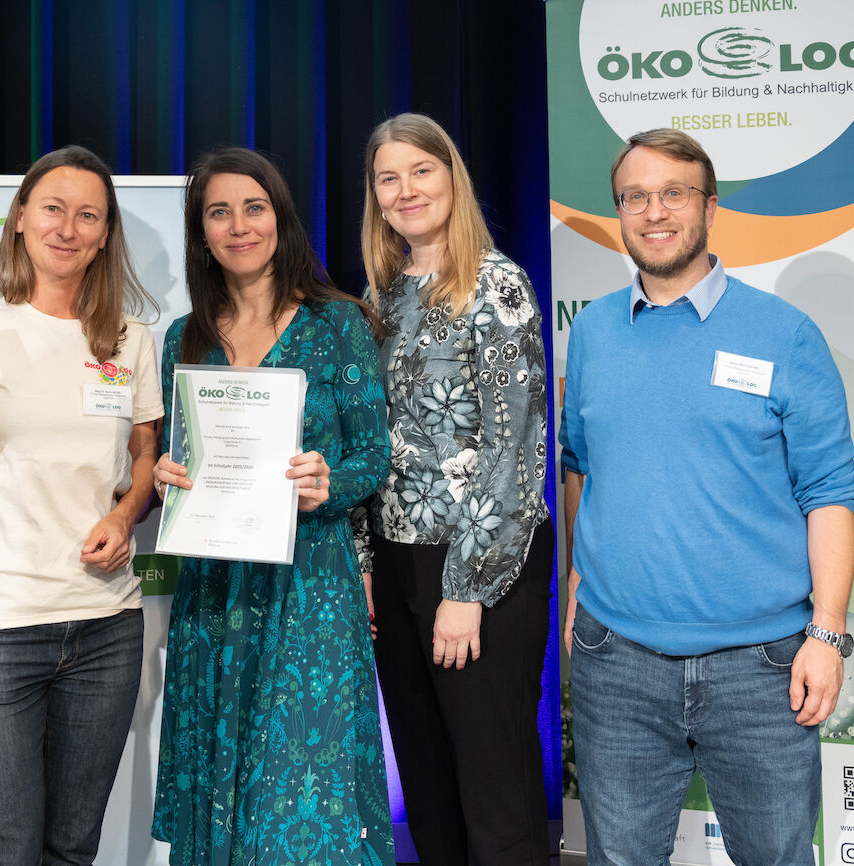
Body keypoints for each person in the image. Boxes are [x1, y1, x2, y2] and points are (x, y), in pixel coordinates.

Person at [560, 128, 854, 864]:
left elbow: (830, 492)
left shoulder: (785, 334)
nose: (653, 211)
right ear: (620, 212)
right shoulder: (593, 332)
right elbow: (581, 465)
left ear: (710, 207)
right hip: (617, 663)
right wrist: (576, 577)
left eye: (674, 193)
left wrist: (825, 634)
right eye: (635, 196)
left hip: (760, 671)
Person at [0, 145, 162, 866]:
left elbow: (143, 459)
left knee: (72, 848)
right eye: (52, 208)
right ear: (20, 219)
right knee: (6, 851)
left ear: (106, 234)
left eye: (88, 215)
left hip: (106, 628)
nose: (68, 227)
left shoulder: (129, 339)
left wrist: (124, 514)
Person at [150, 147, 394, 866]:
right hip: (214, 591)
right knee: (219, 775)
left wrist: (330, 483)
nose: (238, 226)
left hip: (310, 587)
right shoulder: (182, 339)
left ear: (280, 220)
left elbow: (372, 457)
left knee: (303, 789)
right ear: (201, 234)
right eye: (218, 212)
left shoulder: (337, 324)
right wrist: (170, 475)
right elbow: (183, 455)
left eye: (253, 208)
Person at [354, 112, 553, 865]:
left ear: (451, 177)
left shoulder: (495, 283)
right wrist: (367, 567)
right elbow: (372, 447)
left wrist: (466, 588)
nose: (406, 190)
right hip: (400, 565)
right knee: (429, 792)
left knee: (492, 793)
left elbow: (514, 448)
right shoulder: (380, 297)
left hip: (480, 569)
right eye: (388, 178)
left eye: (421, 170)